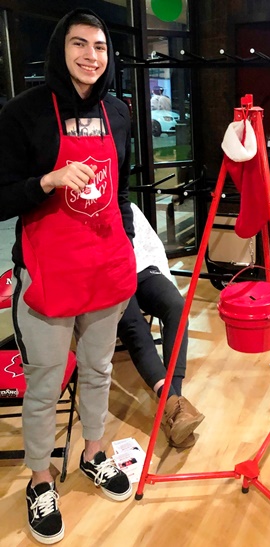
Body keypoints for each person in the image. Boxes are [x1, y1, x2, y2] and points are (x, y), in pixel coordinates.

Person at [0, 9, 137, 544]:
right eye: (79, 44)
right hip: (49, 271)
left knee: (100, 370)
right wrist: (48, 180)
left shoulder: (119, 112)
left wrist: (127, 241)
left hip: (105, 267)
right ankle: (40, 478)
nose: (90, 56)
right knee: (44, 383)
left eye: (100, 47)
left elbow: (120, 190)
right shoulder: (23, 113)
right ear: (61, 48)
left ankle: (94, 454)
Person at [117, 203, 204, 449]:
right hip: (110, 276)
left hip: (143, 266)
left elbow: (149, 244)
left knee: (177, 307)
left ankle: (173, 404)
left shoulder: (125, 204)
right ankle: (176, 410)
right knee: (134, 324)